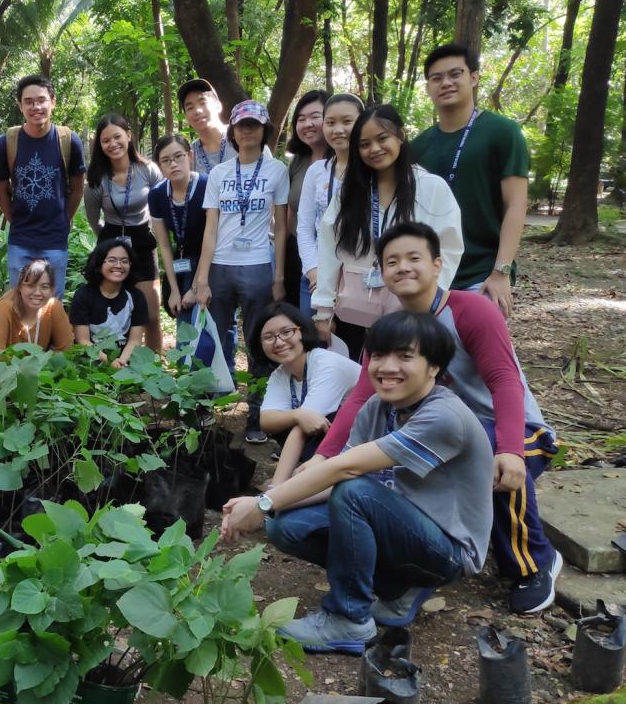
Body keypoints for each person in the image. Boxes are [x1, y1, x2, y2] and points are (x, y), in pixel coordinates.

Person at [312, 222, 563, 614]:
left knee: (489, 454)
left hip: (510, 427)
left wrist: (512, 449)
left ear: (437, 264)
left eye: (414, 258)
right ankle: (419, 568)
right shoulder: (390, 329)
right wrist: (323, 457)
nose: (403, 267)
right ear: (381, 272)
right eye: (392, 261)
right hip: (437, 429)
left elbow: (504, 382)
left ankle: (534, 562)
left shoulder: (471, 310)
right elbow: (361, 396)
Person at [222, 311, 494, 654]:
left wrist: (263, 503)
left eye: (405, 356)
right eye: (378, 355)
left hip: (450, 549)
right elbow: (335, 477)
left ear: (434, 367)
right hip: (402, 525)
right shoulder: (378, 408)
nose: (387, 367)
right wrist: (269, 506)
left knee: (354, 493)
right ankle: (397, 587)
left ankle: (349, 618)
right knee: (285, 526)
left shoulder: (443, 416)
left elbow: (345, 471)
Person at [313, 104, 463, 360]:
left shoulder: (430, 187)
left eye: (382, 138)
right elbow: (329, 249)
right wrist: (324, 309)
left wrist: (428, 301)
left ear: (400, 136)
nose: (374, 149)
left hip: (409, 309)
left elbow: (448, 249)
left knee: (398, 379)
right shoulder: (350, 192)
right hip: (353, 312)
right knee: (355, 382)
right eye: (364, 144)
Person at [193, 99, 290, 442]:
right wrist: (202, 277)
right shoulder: (218, 174)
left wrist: (278, 276)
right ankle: (203, 406)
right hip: (220, 266)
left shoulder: (277, 170)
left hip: (258, 268)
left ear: (265, 130)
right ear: (232, 131)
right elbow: (210, 228)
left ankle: (257, 416)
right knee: (212, 339)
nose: (247, 130)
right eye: (241, 125)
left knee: (259, 342)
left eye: (254, 124)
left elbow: (281, 227)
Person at [410, 42, 530, 318]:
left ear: (473, 78)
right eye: (436, 78)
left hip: (482, 272)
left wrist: (501, 272)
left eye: (455, 74)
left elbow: (516, 205)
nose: (446, 83)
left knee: (481, 356)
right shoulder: (418, 146)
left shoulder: (502, 132)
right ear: (428, 87)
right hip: (431, 274)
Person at [0, 75, 87, 297]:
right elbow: (0, 185)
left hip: (54, 239)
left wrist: (64, 218)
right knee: (20, 302)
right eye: (29, 101)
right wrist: (12, 216)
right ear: (20, 105)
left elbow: (78, 187)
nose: (36, 106)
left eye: (42, 100)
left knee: (51, 304)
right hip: (20, 239)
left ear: (53, 102)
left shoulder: (68, 140)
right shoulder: (8, 141)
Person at [251, 302, 361, 483]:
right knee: (291, 421)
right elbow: (266, 420)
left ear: (302, 332)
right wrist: (297, 414)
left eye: (287, 332)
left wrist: (275, 492)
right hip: (331, 438)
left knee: (305, 424)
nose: (279, 342)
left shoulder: (326, 365)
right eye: (268, 337)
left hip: (361, 438)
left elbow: (302, 428)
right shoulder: (282, 373)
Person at [83, 114, 164, 353]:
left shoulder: (148, 170)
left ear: (128, 136)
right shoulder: (97, 180)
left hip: (143, 244)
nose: (112, 144)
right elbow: (92, 221)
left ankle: (153, 365)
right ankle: (114, 363)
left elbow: (162, 207)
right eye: (105, 140)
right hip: (110, 246)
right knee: (111, 311)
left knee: (151, 314)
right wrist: (109, 241)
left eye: (117, 137)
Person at [295, 94, 364, 318]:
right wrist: (314, 271)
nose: (338, 129)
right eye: (331, 122)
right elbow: (304, 226)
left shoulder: (372, 170)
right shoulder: (317, 171)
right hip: (317, 276)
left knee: (353, 348)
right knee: (315, 344)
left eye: (347, 121)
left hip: (359, 278)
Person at [149, 134, 208, 327]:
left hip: (212, 258)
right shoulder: (157, 194)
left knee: (213, 323)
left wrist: (196, 287)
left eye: (178, 156)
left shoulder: (207, 185)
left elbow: (212, 239)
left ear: (190, 156)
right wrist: (174, 289)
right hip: (182, 259)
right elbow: (164, 245)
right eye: (165, 160)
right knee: (183, 315)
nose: (173, 164)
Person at [284, 90, 330, 313]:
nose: (307, 124)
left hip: (330, 256)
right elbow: (289, 212)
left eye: (315, 116)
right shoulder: (298, 162)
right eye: (301, 119)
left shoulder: (344, 160)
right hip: (295, 252)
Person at [70, 238, 148, 368]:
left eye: (124, 261)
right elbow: (82, 340)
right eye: (112, 260)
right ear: (99, 264)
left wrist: (121, 362)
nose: (118, 265)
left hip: (126, 362)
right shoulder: (83, 295)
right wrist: (107, 362)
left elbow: (135, 340)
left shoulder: (136, 296)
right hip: (90, 361)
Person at [0, 258, 73, 358]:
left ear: (52, 290)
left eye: (44, 287)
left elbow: (67, 348)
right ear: (20, 287)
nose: (37, 293)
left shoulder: (53, 307)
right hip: (7, 371)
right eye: (31, 286)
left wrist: (46, 369)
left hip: (43, 371)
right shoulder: (4, 308)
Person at [178, 79, 232, 176]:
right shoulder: (190, 155)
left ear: (218, 106)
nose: (197, 111)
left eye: (203, 103)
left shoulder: (242, 137)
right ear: (186, 117)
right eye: (190, 108)